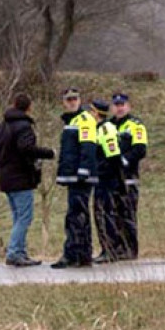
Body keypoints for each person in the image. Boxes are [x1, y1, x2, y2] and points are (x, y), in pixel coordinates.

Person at [0, 92, 56, 267]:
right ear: (29, 107)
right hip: (20, 178)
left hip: (6, 177)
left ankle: (20, 252)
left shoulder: (2, 127)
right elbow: (27, 148)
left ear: (14, 104)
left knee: (17, 216)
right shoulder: (24, 127)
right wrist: (48, 153)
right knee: (25, 217)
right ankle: (14, 252)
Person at [51, 86, 98, 269]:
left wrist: (83, 170)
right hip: (73, 175)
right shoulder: (72, 120)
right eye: (68, 100)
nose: (72, 102)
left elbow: (88, 145)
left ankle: (73, 254)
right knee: (80, 214)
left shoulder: (84, 119)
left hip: (80, 177)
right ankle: (83, 254)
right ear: (63, 102)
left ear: (80, 100)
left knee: (75, 215)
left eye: (75, 99)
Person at [87, 99, 128, 264]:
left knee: (105, 213)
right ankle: (107, 248)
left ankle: (110, 249)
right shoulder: (99, 128)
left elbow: (112, 155)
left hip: (106, 178)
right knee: (101, 213)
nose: (89, 114)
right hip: (101, 178)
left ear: (97, 113)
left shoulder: (106, 129)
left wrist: (110, 175)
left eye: (91, 111)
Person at [110, 91, 148, 260]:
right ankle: (116, 248)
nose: (119, 108)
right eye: (116, 105)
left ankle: (130, 250)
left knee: (128, 215)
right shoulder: (108, 125)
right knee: (113, 215)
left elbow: (140, 149)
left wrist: (125, 161)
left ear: (128, 106)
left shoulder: (136, 125)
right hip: (112, 178)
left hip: (128, 177)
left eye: (122, 105)